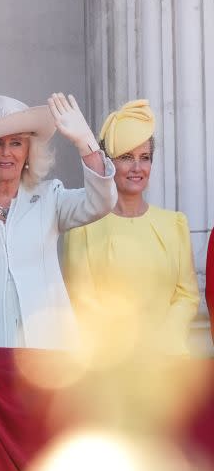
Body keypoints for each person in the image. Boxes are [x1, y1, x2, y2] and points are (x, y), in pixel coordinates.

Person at [0, 93, 117, 349]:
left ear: (29, 151)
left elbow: (101, 202)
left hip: (46, 358)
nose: (6, 153)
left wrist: (87, 144)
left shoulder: (50, 198)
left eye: (16, 143)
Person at [62, 99, 199, 353]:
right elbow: (82, 301)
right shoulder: (83, 229)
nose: (137, 168)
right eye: (126, 157)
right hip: (110, 365)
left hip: (169, 365)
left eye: (144, 158)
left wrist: (161, 344)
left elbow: (187, 296)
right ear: (109, 162)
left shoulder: (173, 225)